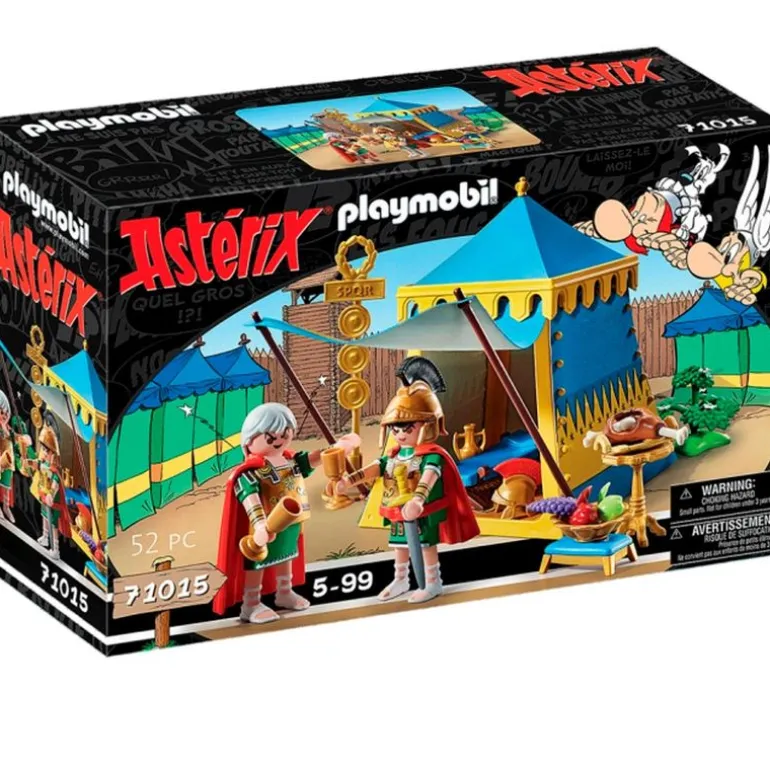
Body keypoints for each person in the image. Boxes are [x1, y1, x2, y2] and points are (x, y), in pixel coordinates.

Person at [337, 357, 479, 604]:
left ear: (426, 425)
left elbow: (429, 476)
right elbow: (377, 468)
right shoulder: (394, 454)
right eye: (396, 429)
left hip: (422, 511)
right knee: (399, 545)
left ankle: (433, 582)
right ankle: (401, 579)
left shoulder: (431, 455)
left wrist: (418, 499)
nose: (401, 434)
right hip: (397, 509)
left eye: (407, 428)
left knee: (425, 546)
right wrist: (350, 480)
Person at [214, 403, 360, 624]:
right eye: (270, 437)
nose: (279, 440)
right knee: (258, 561)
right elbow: (249, 497)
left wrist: (339, 447)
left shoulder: (291, 461)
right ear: (249, 440)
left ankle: (284, 592)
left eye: (284, 434)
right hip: (266, 526)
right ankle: (250, 604)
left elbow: (316, 458)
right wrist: (260, 524)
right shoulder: (251, 472)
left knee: (287, 555)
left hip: (293, 521)